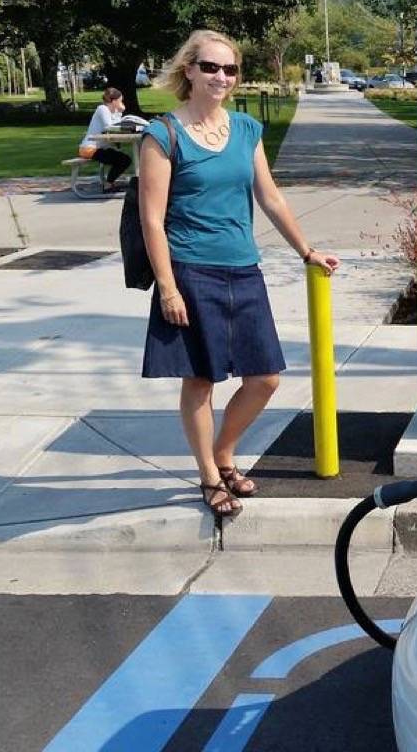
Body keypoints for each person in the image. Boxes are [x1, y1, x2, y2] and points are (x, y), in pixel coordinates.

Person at [138, 29, 340, 518]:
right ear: (188, 70)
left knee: (266, 377)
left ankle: (223, 451)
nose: (221, 77)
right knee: (201, 380)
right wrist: (167, 286)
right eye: (210, 67)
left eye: (229, 69)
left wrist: (305, 250)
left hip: (243, 267)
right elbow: (151, 218)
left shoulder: (246, 129)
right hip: (190, 270)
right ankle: (210, 476)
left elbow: (270, 196)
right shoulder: (162, 135)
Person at [78, 87, 131, 192]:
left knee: (124, 159)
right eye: (120, 101)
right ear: (114, 101)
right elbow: (109, 126)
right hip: (89, 149)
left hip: (99, 148)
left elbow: (115, 125)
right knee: (124, 160)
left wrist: (118, 112)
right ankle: (108, 184)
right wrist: (120, 112)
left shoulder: (109, 112)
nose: (122, 103)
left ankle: (109, 183)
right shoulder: (102, 109)